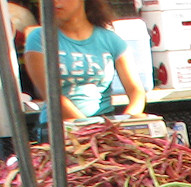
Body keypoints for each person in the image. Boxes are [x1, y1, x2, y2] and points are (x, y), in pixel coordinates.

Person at [22, 0, 146, 135]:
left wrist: (128, 119)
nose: (54, 2)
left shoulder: (111, 40)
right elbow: (51, 95)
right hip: (59, 129)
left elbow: (136, 91)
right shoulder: (39, 38)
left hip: (104, 127)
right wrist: (88, 128)